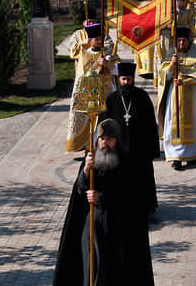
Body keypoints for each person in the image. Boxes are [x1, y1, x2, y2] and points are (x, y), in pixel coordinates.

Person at [53, 119, 155, 286]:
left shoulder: (128, 164)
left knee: (111, 274)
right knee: (91, 272)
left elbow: (132, 197)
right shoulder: (91, 160)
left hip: (118, 230)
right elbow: (79, 190)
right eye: (101, 139)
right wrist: (85, 171)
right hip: (92, 227)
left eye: (109, 139)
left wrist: (102, 198)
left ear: (117, 140)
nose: (104, 143)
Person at [157, 27, 196, 169]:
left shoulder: (194, 54)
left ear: (189, 41)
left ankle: (195, 154)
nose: (181, 44)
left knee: (195, 122)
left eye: (184, 40)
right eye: (179, 41)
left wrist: (186, 81)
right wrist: (172, 65)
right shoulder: (171, 54)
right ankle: (176, 156)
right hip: (174, 94)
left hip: (192, 94)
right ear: (175, 41)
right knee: (173, 122)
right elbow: (163, 76)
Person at [103, 62, 160, 212]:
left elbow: (151, 125)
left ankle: (144, 208)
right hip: (118, 150)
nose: (126, 83)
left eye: (128, 79)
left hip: (139, 150)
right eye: (123, 79)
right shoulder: (112, 99)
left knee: (141, 180)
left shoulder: (142, 97)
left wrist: (153, 150)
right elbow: (105, 125)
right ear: (119, 80)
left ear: (133, 79)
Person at [66, 23, 118, 152]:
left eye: (101, 39)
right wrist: (97, 65)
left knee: (105, 120)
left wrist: (107, 63)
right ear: (90, 40)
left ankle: (105, 146)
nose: (100, 41)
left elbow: (117, 70)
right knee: (88, 122)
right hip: (88, 94)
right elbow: (83, 75)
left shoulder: (107, 54)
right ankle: (88, 147)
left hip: (106, 93)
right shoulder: (84, 54)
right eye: (97, 39)